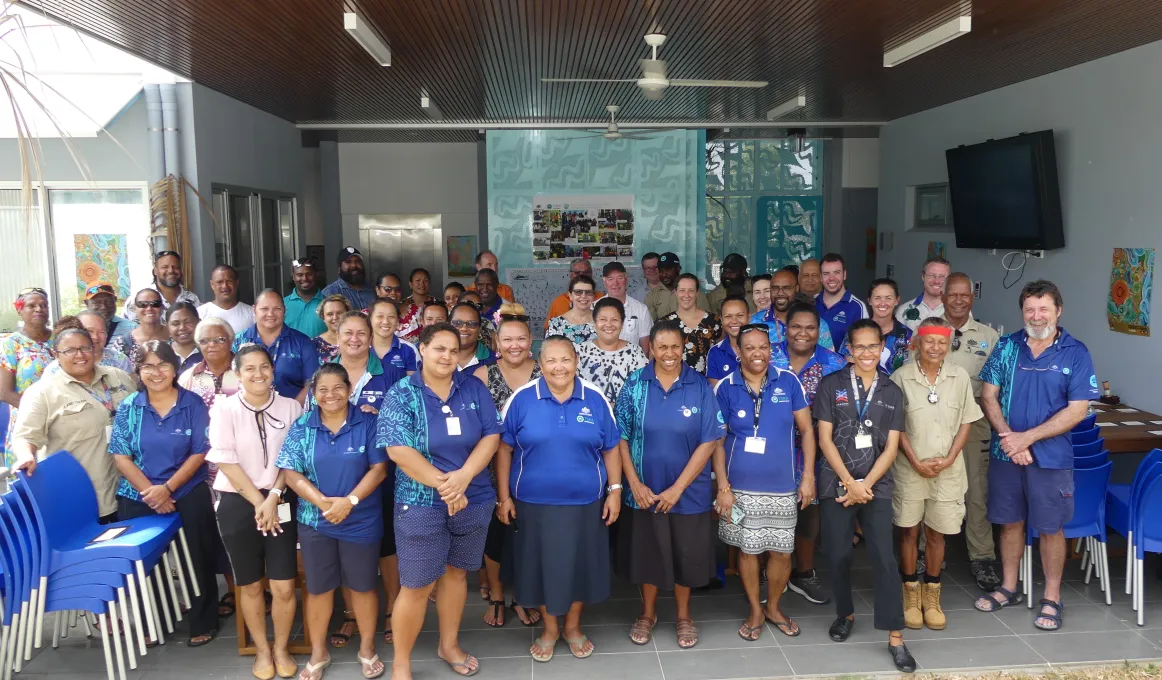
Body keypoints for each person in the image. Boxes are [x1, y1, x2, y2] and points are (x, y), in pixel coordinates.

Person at [378, 322, 503, 680]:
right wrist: (445, 486)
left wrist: (463, 478)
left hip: (473, 496)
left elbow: (491, 436)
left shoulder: (473, 387)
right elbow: (397, 449)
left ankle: (448, 645)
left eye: (453, 349)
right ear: (423, 349)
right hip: (420, 502)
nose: (447, 356)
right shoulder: (402, 393)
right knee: (416, 585)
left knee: (456, 575)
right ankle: (402, 663)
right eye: (439, 349)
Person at [975, 280, 1098, 632]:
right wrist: (1009, 440)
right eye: (1030, 309)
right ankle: (1009, 587)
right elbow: (988, 396)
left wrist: (1026, 438)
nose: (1036, 315)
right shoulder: (1008, 346)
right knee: (1010, 522)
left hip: (1051, 457)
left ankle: (1052, 597)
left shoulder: (1075, 351)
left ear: (1058, 311)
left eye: (1044, 308)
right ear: (1022, 311)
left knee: (1049, 528)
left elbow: (1077, 410)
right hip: (1006, 453)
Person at [496, 336, 623, 662]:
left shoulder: (595, 399)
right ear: (540, 363)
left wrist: (615, 491)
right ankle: (551, 628)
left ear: (576, 361)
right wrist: (503, 497)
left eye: (565, 359)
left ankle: (573, 627)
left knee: (580, 568)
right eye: (551, 360)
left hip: (585, 504)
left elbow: (611, 448)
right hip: (533, 504)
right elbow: (504, 449)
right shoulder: (522, 399)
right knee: (540, 569)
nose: (559, 367)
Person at [814, 319, 914, 672]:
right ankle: (845, 614)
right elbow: (825, 439)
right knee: (838, 554)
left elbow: (892, 447)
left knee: (885, 558)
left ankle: (896, 637)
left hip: (877, 484)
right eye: (860, 347)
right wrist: (849, 483)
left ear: (882, 347)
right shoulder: (831, 385)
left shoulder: (891, 390)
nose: (867, 353)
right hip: (835, 481)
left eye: (874, 346)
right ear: (850, 350)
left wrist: (865, 484)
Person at [617, 320, 724, 649]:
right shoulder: (635, 384)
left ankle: (683, 616)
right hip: (645, 491)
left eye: (675, 347)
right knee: (649, 555)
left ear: (684, 348)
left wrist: (678, 488)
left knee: (685, 556)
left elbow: (709, 440)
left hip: (688, 493)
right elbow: (619, 437)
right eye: (661, 347)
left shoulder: (699, 386)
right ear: (650, 349)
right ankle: (647, 613)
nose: (668, 353)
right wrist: (633, 483)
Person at [277, 364, 387, 679]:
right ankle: (318, 652)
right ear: (313, 394)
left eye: (337, 387)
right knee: (318, 588)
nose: (330, 395)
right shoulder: (302, 426)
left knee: (363, 587)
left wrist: (349, 502)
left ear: (349, 389)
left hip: (361, 520)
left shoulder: (367, 423)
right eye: (322, 389)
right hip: (315, 521)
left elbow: (378, 469)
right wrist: (323, 503)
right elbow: (291, 472)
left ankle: (367, 648)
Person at [110, 340, 219, 646]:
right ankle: (153, 621)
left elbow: (201, 451)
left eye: (163, 365)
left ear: (175, 369)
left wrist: (168, 489)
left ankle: (203, 619)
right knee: (146, 561)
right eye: (148, 366)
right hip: (138, 493)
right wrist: (151, 492)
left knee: (197, 555)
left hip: (186, 489)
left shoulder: (193, 404)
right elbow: (121, 456)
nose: (156, 372)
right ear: (138, 371)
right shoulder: (130, 407)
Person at [713, 322, 815, 641]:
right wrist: (723, 488)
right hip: (739, 489)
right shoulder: (726, 387)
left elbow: (808, 430)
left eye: (763, 347)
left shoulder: (789, 382)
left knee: (783, 552)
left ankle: (773, 606)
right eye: (750, 348)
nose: (758, 353)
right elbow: (716, 441)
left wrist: (808, 476)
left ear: (771, 350)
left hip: (783, 487)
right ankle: (755, 610)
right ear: (739, 352)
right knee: (748, 551)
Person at [207, 344, 303, 680]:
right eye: (249, 368)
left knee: (284, 585)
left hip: (281, 497)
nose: (258, 374)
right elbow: (224, 459)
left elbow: (294, 457)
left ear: (273, 370)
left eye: (264, 367)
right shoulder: (224, 408)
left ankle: (280, 648)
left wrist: (273, 495)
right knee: (248, 585)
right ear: (237, 372)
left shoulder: (291, 408)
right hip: (237, 501)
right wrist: (259, 501)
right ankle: (262, 650)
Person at [318, 310, 404, 650]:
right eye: (347, 333)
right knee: (343, 545)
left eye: (361, 334)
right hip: (335, 478)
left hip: (381, 472)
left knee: (388, 545)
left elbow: (405, 418)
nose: (354, 339)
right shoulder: (324, 374)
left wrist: (378, 416)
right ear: (336, 337)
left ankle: (392, 611)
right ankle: (352, 614)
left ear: (371, 338)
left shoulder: (390, 374)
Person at [891, 317, 982, 631]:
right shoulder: (900, 378)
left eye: (941, 342)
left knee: (936, 533)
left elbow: (967, 421)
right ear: (917, 342)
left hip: (947, 469)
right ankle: (909, 592)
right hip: (910, 468)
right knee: (908, 531)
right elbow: (895, 427)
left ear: (949, 345)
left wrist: (950, 457)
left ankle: (932, 595)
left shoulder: (959, 378)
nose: (935, 347)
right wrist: (915, 460)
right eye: (929, 341)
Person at [9, 326, 136, 520]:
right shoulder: (42, 392)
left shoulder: (118, 377)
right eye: (69, 350)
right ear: (56, 355)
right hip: (84, 498)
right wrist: (26, 455)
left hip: (132, 490)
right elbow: (25, 435)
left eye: (85, 348)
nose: (80, 355)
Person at [471, 305, 543, 628]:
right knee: (496, 534)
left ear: (531, 341)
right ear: (497, 343)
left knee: (529, 536)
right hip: (490, 467)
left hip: (535, 467)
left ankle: (523, 596)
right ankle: (498, 595)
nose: (515, 345)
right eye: (508, 339)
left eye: (521, 339)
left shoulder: (545, 370)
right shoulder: (482, 375)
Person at [771, 303, 846, 605]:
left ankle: (803, 574)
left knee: (808, 516)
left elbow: (843, 412)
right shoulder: (769, 356)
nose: (802, 333)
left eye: (810, 327)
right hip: (771, 450)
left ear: (819, 331)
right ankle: (771, 576)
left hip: (816, 453)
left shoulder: (834, 363)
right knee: (770, 515)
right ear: (785, 328)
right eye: (796, 326)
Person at [941, 273, 1001, 590]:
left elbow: (994, 387)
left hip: (975, 418)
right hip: (934, 418)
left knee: (977, 491)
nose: (959, 300)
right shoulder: (927, 331)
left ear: (972, 298)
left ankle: (982, 558)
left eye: (965, 294)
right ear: (943, 296)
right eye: (953, 294)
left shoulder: (988, 337)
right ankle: (927, 553)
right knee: (931, 486)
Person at [234, 290, 320, 401]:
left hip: (293, 414)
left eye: (277, 309)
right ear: (254, 309)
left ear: (285, 310)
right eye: (264, 309)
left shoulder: (302, 342)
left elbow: (312, 382)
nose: (270, 314)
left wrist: (293, 410)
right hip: (248, 412)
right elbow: (230, 380)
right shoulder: (238, 341)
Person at [1, 287, 54, 461]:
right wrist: (39, 413)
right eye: (31, 306)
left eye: (43, 305)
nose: (39, 309)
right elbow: (4, 392)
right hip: (26, 421)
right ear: (19, 310)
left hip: (61, 420)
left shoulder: (60, 338)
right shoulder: (11, 344)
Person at [576, 297, 648, 403]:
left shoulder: (635, 352)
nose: (609, 324)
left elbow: (643, 390)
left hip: (625, 417)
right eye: (603, 319)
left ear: (622, 324)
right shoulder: (580, 351)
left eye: (614, 320)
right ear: (594, 322)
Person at [752, 268, 836, 350]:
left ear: (797, 288)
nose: (780, 293)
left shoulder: (816, 324)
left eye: (786, 288)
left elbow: (829, 360)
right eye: (775, 288)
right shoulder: (755, 322)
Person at [660, 273, 722, 374]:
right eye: (682, 290)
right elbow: (657, 357)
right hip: (674, 384)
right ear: (675, 292)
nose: (686, 295)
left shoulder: (713, 321)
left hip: (707, 383)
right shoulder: (665, 323)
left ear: (697, 293)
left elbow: (721, 352)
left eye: (691, 291)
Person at [42, 311, 132, 377]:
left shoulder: (119, 360)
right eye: (90, 331)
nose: (96, 337)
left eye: (101, 332)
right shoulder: (54, 370)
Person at [852, 279, 912, 374]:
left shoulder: (907, 335)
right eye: (877, 298)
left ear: (897, 300)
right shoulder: (856, 331)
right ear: (869, 300)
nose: (883, 303)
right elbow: (849, 365)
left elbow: (908, 371)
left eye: (888, 298)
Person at [123, 250, 200, 321]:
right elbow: (126, 328)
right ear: (155, 271)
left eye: (175, 267)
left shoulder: (192, 299)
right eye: (165, 267)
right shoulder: (139, 299)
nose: (170, 271)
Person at [179, 317, 240, 408]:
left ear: (231, 340)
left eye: (219, 339)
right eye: (204, 341)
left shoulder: (246, 371)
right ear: (198, 345)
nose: (211, 344)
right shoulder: (188, 378)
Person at [816, 253, 867, 347]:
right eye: (826, 274)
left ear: (844, 275)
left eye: (837, 272)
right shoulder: (811, 302)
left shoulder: (857, 307)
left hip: (844, 362)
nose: (831, 278)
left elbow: (862, 345)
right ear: (820, 278)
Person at [110, 288, 171, 365]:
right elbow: (116, 372)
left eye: (155, 304)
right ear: (135, 308)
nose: (149, 308)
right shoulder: (123, 343)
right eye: (142, 304)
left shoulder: (175, 337)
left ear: (162, 308)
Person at [601, 262, 651, 352]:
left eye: (619, 278)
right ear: (604, 282)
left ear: (626, 280)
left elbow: (646, 349)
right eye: (610, 279)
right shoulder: (594, 308)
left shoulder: (641, 309)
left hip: (633, 364)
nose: (615, 283)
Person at [645, 253, 709, 321]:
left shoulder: (694, 293)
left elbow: (706, 321)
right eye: (661, 271)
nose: (664, 274)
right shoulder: (652, 295)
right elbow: (649, 324)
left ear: (678, 269)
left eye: (668, 270)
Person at [544, 258, 605, 330]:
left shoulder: (603, 299)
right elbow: (548, 330)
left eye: (586, 272)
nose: (582, 275)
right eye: (577, 272)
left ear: (591, 273)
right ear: (570, 274)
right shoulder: (558, 302)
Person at [897, 257, 951, 332]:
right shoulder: (903, 310)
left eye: (942, 277)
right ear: (923, 276)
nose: (936, 281)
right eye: (931, 275)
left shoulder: (958, 310)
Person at [198, 265, 255, 334]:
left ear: (237, 283)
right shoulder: (200, 313)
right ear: (212, 284)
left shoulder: (252, 313)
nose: (225, 286)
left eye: (229, 281)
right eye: (219, 282)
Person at [369, 299, 420, 375]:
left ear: (398, 321)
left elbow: (415, 383)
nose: (385, 321)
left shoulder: (409, 350)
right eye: (380, 316)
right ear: (370, 319)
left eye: (391, 317)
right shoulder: (361, 347)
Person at [707, 296, 749, 386]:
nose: (734, 321)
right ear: (721, 320)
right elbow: (716, 392)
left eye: (740, 315)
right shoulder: (715, 352)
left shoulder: (762, 348)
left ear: (749, 317)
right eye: (728, 316)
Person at [546, 275, 598, 344]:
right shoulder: (556, 324)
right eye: (578, 292)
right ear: (570, 295)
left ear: (593, 296)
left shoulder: (603, 322)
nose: (583, 296)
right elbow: (549, 351)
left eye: (588, 292)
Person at [321, 246, 376, 310]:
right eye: (348, 262)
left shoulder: (372, 289)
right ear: (339, 269)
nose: (354, 265)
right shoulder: (330, 292)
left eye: (358, 261)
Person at [285, 258, 328, 338]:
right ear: (293, 277)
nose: (305, 278)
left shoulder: (328, 304)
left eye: (309, 274)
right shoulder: (282, 304)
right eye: (299, 275)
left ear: (316, 275)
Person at [83, 282, 136, 347]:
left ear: (115, 300)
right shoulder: (79, 327)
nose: (104, 307)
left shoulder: (132, 328)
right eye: (97, 302)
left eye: (109, 302)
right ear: (86, 303)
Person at [397, 268, 439, 342]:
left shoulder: (437, 304)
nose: (422, 284)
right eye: (418, 280)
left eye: (425, 281)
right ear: (410, 284)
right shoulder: (402, 305)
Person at [450, 302, 495, 370]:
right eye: (458, 323)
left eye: (472, 324)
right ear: (448, 325)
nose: (464, 328)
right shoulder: (435, 357)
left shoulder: (494, 361)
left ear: (479, 328)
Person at [314, 294, 352, 364]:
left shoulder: (357, 340)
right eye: (330, 314)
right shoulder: (314, 344)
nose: (335, 317)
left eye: (340, 313)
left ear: (348, 314)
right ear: (323, 317)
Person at [166, 302, 203, 373]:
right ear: (167, 327)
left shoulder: (209, 352)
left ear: (199, 322)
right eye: (175, 324)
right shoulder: (161, 354)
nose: (182, 327)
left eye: (188, 322)